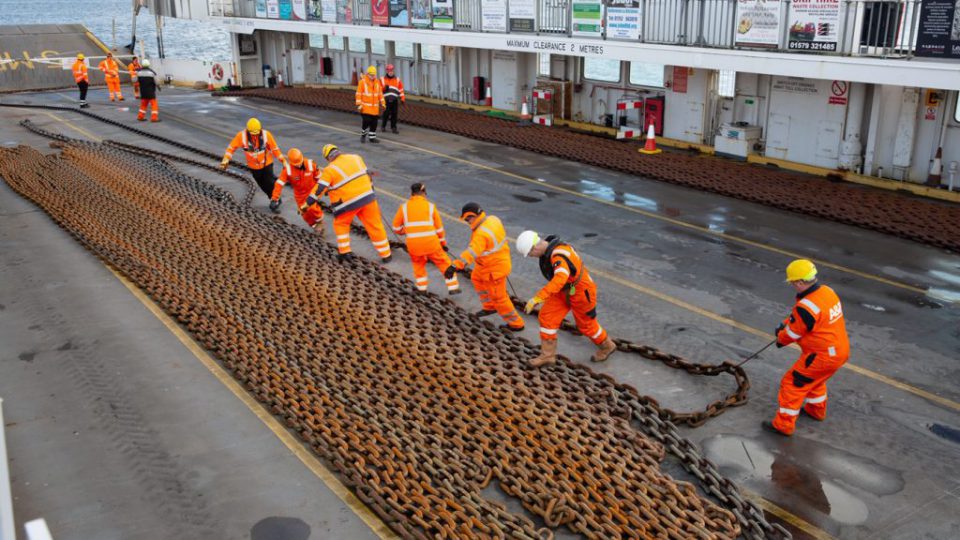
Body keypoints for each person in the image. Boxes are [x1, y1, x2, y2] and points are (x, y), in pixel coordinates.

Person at [765, 259, 850, 437]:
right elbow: (802, 319)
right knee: (814, 380)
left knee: (792, 383)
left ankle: (783, 425)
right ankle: (816, 410)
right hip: (839, 350)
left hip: (821, 355)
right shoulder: (827, 292)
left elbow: (793, 333)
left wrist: (780, 338)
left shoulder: (806, 306)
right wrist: (785, 324)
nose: (793, 286)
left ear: (799, 282)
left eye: (793, 283)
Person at [515, 231, 616, 367]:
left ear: (535, 247)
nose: (532, 257)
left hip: (581, 292)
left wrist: (538, 298)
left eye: (531, 254)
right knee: (547, 317)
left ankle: (607, 345)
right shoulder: (550, 251)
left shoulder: (559, 256)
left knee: (586, 325)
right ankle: (547, 356)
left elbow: (560, 279)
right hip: (564, 291)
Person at [302, 144, 392, 263]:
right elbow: (368, 176)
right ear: (338, 151)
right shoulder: (356, 158)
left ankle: (345, 252)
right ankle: (386, 254)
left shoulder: (330, 169)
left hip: (347, 204)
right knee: (375, 225)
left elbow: (320, 188)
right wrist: (371, 192)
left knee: (341, 224)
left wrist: (307, 203)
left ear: (328, 158)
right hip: (368, 198)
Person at [444, 203, 524, 332]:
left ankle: (516, 324)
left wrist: (454, 266)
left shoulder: (481, 234)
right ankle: (490, 306)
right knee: (476, 278)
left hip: (494, 268)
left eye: (467, 219)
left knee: (500, 298)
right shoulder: (493, 219)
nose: (467, 222)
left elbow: (471, 253)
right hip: (489, 263)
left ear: (473, 216)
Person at [391, 183, 459, 295]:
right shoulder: (431, 206)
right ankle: (453, 287)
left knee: (418, 265)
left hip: (414, 245)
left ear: (412, 193)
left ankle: (422, 288)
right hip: (431, 243)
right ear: (423, 193)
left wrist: (407, 231)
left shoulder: (403, 207)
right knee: (443, 262)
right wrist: (443, 243)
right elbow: (439, 229)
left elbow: (396, 228)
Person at [220, 118, 286, 201]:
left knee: (269, 182)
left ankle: (275, 198)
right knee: (262, 184)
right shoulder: (241, 136)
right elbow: (231, 148)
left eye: (257, 133)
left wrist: (283, 160)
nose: (255, 135)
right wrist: (226, 159)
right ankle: (271, 196)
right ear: (248, 130)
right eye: (252, 134)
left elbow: (275, 149)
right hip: (254, 166)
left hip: (267, 163)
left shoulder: (266, 135)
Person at [270, 148, 324, 234]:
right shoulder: (288, 170)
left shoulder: (311, 164)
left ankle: (320, 221)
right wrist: (274, 198)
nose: (298, 166)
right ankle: (313, 225)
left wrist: (324, 188)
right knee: (304, 214)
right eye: (296, 165)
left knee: (311, 208)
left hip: (312, 191)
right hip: (299, 195)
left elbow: (319, 177)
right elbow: (279, 183)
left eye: (299, 163)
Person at [356, 65, 385, 144]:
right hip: (365, 108)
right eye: (371, 75)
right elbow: (358, 94)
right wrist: (359, 104)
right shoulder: (362, 82)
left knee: (374, 124)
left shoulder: (377, 83)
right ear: (367, 74)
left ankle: (372, 138)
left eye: (374, 75)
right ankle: (363, 135)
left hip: (375, 109)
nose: (373, 76)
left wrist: (383, 103)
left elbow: (380, 94)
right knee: (366, 121)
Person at [380, 64, 405, 134]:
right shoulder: (382, 79)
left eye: (392, 70)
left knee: (394, 114)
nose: (391, 72)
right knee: (386, 114)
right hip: (386, 100)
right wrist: (384, 88)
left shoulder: (397, 80)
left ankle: (393, 128)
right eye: (389, 70)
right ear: (387, 71)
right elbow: (378, 90)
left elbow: (401, 90)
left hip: (394, 100)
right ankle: (383, 126)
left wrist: (402, 99)